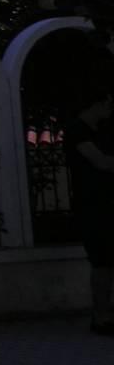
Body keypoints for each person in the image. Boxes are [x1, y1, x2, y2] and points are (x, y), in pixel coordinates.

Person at [66, 86, 114, 335]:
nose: (110, 107)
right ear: (94, 104)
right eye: (107, 103)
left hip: (108, 203)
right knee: (102, 262)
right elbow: (102, 162)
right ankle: (102, 316)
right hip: (93, 206)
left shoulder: (104, 130)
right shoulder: (77, 131)